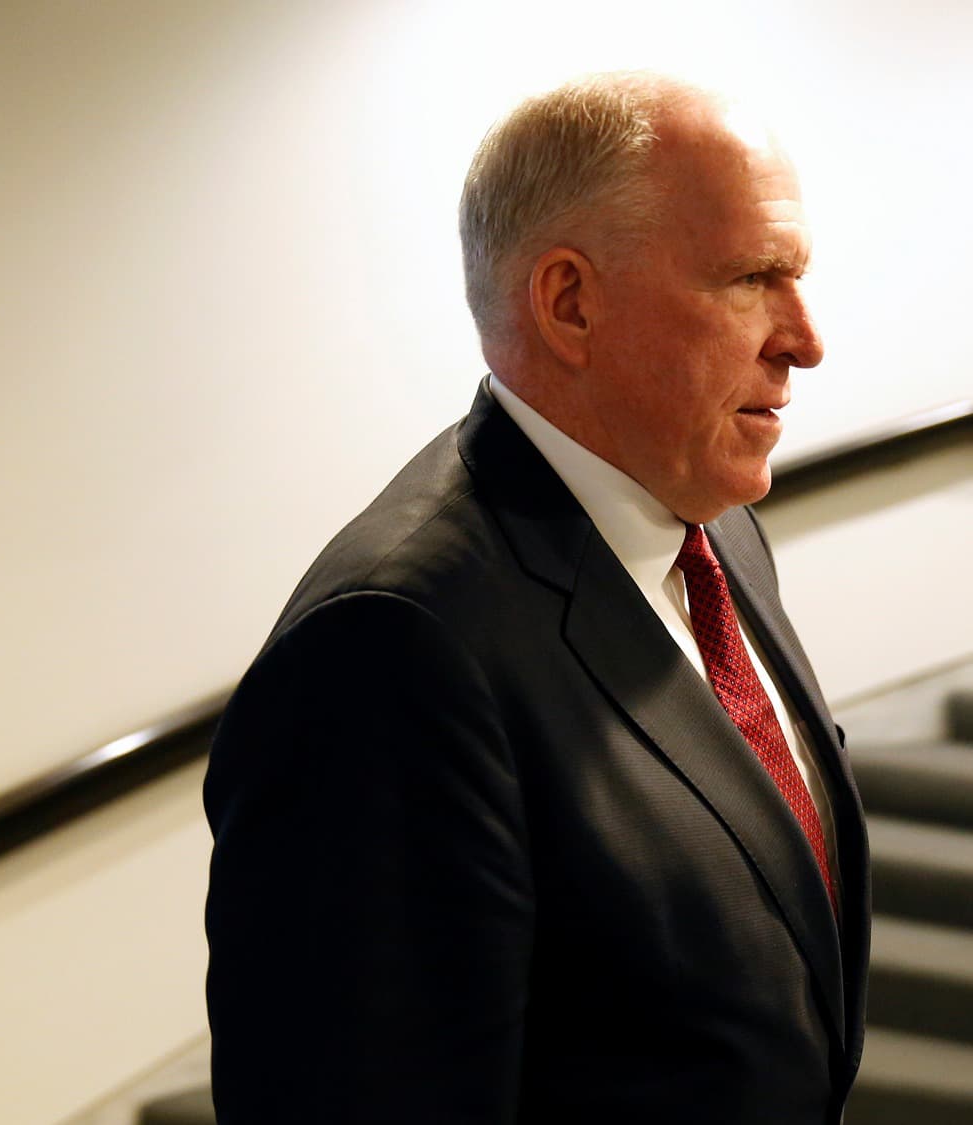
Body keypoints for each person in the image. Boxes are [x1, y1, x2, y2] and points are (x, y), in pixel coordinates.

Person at [202, 72, 869, 1123]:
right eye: (752, 279)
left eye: (797, 278)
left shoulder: (713, 526)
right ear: (569, 304)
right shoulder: (389, 650)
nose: (804, 338)